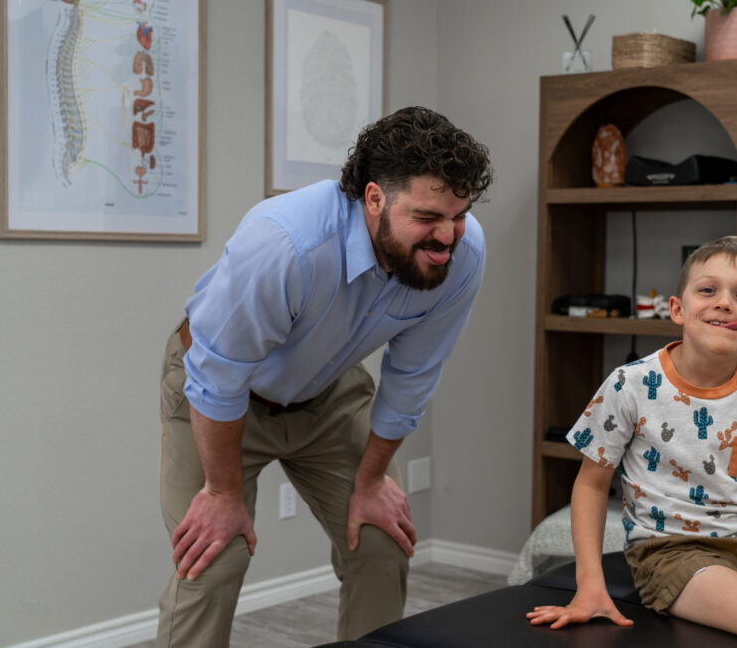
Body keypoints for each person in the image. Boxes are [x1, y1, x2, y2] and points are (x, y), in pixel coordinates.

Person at [158, 106, 493, 646]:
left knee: (382, 542)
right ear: (374, 198)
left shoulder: (461, 253)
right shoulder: (285, 243)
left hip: (329, 389)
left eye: (459, 214)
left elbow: (412, 377)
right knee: (214, 560)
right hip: (218, 393)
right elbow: (218, 375)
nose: (447, 236)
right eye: (429, 216)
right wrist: (222, 493)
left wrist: (371, 481)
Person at [527, 236, 737, 648]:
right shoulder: (630, 385)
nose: (724, 302)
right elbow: (591, 484)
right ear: (678, 309)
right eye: (708, 290)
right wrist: (590, 585)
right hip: (670, 551)